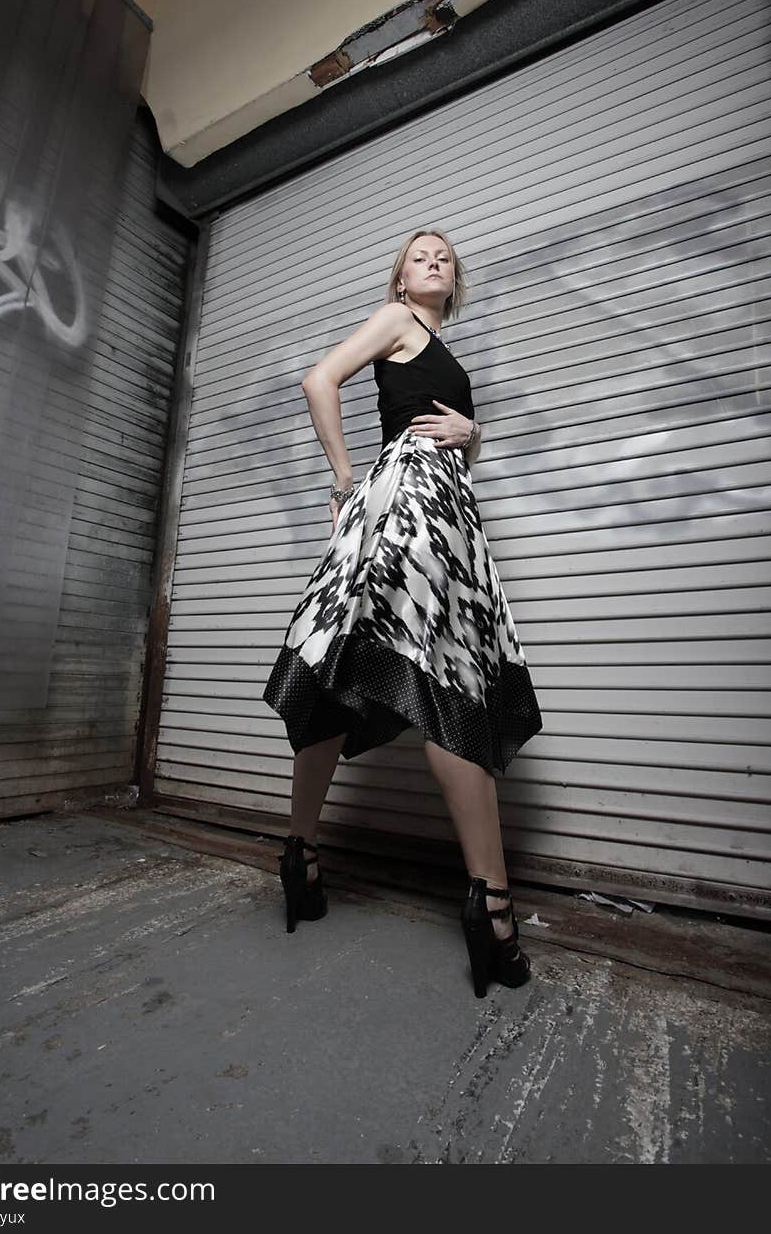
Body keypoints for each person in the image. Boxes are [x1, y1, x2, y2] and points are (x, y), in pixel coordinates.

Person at [262, 228, 544, 997]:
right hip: (413, 507)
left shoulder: (441, 345)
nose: (433, 260)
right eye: (419, 255)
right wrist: (347, 479)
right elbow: (321, 379)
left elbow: (452, 443)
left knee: (341, 671)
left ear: (455, 284)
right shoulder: (397, 321)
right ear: (399, 280)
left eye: (444, 257)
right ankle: (493, 907)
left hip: (441, 506)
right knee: (446, 678)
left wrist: (474, 434)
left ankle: (301, 854)